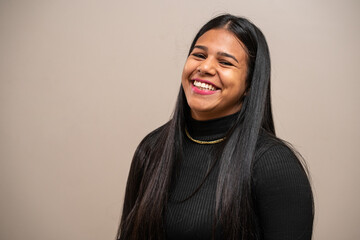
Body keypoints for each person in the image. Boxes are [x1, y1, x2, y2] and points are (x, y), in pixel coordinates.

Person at [117, 14, 314, 240]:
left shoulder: (274, 165)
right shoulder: (151, 149)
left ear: (249, 85)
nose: (205, 67)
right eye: (199, 55)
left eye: (226, 62)